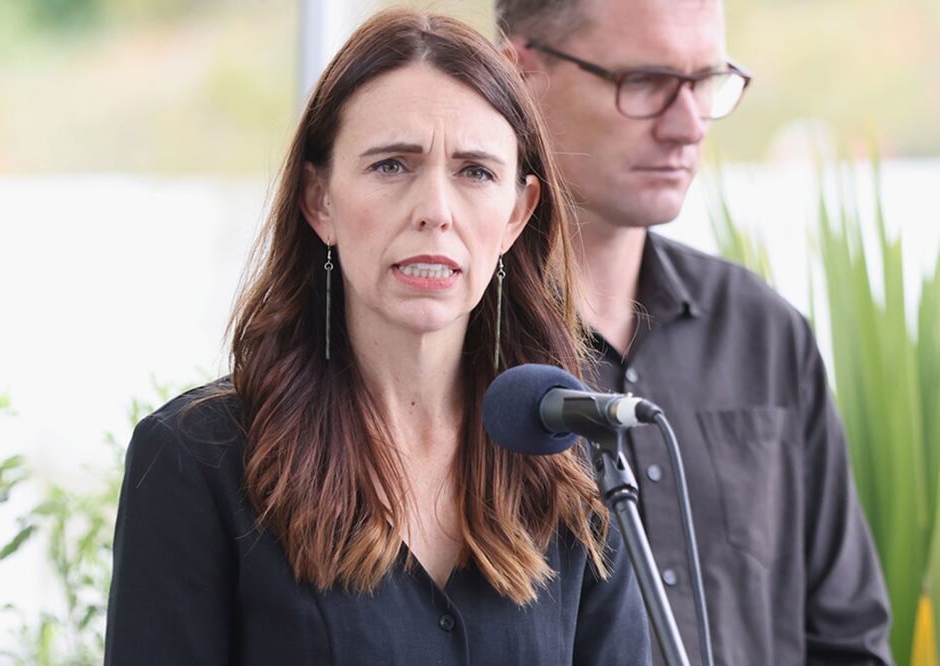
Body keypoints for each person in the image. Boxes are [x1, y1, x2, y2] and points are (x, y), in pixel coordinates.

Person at [104, 8, 651, 665]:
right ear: (319, 200)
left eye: (474, 172)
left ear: (515, 214)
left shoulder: (564, 464)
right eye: (392, 165)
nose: (435, 211)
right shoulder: (197, 458)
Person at [497, 0, 893, 664]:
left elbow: (846, 637)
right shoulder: (449, 343)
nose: (686, 127)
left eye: (704, 82)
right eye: (644, 82)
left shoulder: (763, 331)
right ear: (518, 73)